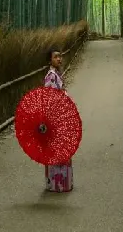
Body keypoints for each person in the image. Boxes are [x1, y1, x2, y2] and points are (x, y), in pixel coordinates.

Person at [42, 48, 73, 193]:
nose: (59, 59)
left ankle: (60, 182)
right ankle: (57, 183)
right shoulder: (51, 76)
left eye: (60, 57)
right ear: (50, 60)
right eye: (55, 57)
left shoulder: (56, 74)